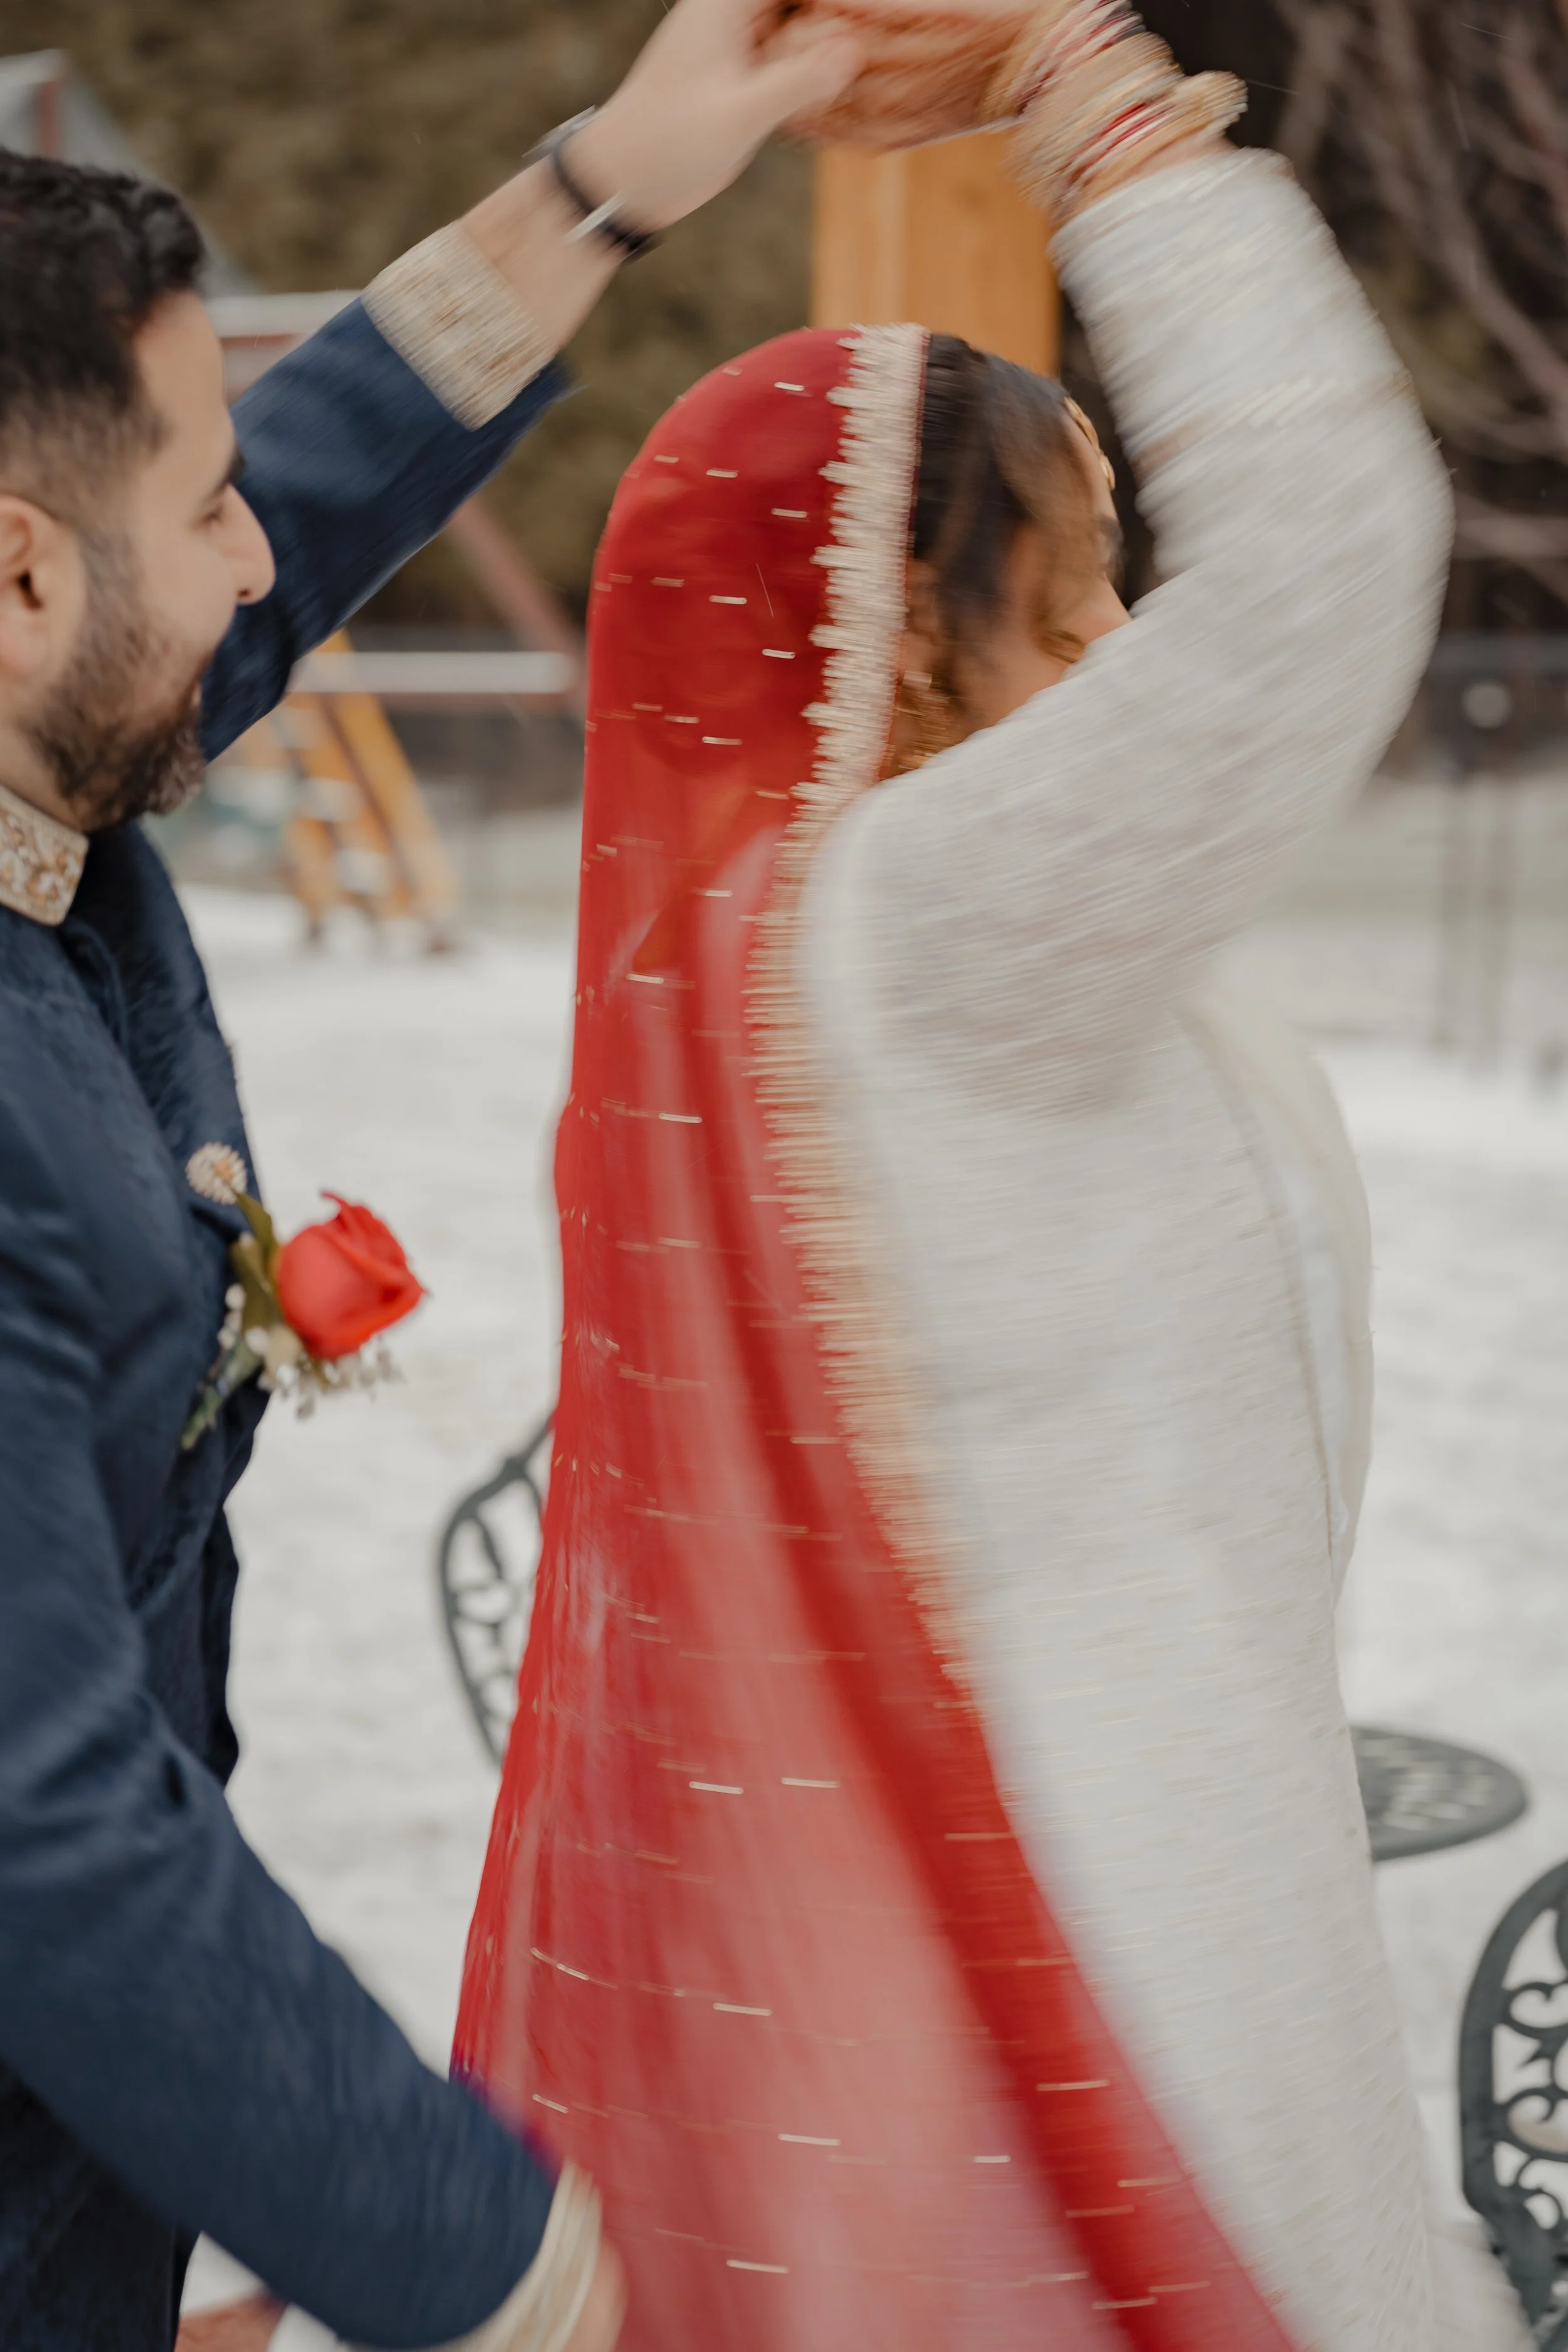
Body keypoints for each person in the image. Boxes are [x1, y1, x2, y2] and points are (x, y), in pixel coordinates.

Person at [454, 4, 1532, 2348]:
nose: (1121, 649)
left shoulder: (784, 959)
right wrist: (1081, 85)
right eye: (1067, 593)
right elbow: (1326, 558)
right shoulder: (905, 939)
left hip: (1098, 1883)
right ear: (892, 638)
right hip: (1104, 1978)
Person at [0, 4, 876, 2347]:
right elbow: (38, 1824)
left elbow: (302, 499)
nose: (254, 546)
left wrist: (606, 185)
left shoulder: (45, 744)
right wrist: (507, 2266)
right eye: (200, 497)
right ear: (13, 577)